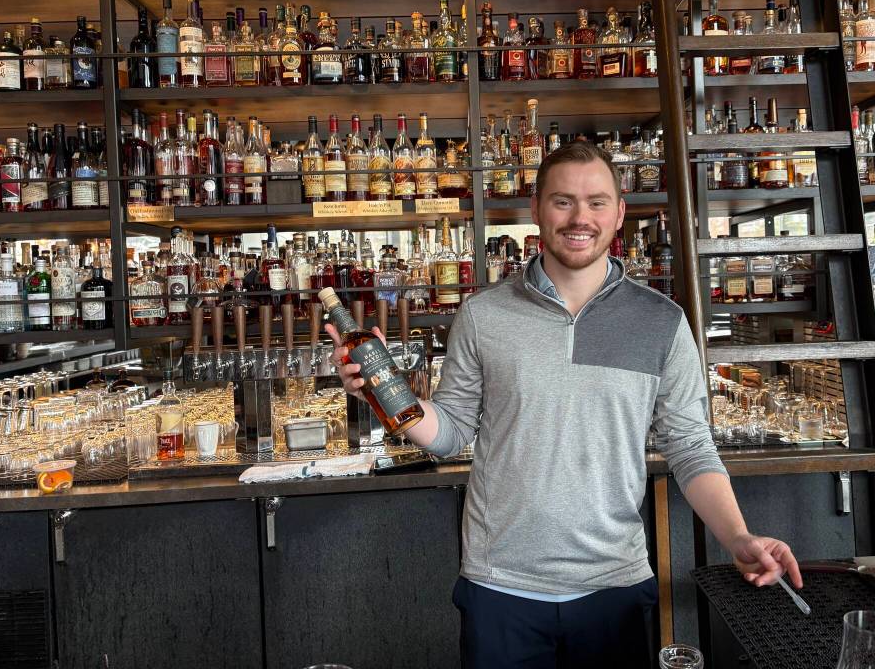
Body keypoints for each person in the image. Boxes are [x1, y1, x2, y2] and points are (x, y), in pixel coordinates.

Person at [328, 141, 802, 668]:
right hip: (500, 585)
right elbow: (452, 432)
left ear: (620, 213)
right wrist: (382, 392)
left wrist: (738, 537)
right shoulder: (484, 315)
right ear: (535, 209)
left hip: (613, 585)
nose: (581, 217)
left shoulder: (660, 321)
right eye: (563, 201)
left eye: (597, 202)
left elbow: (689, 446)